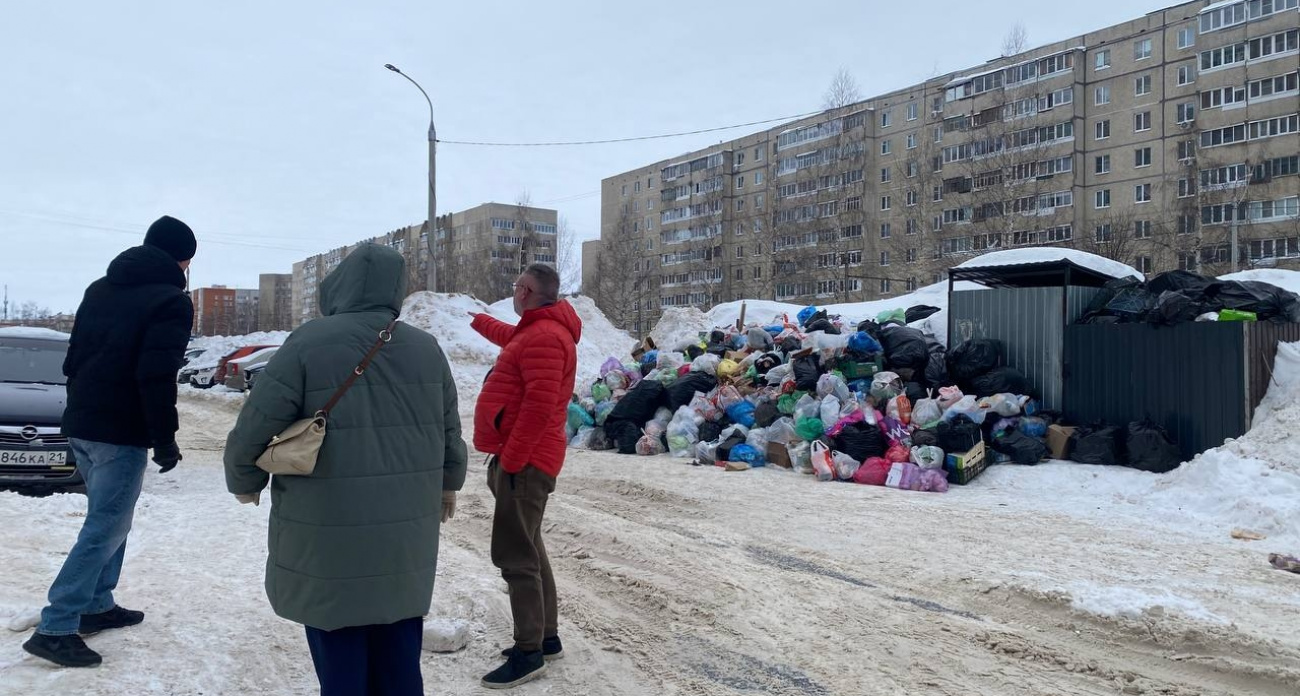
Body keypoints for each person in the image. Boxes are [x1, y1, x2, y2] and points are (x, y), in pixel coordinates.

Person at [224, 244, 467, 696]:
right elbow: (449, 430)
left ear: (340, 285)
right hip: (404, 532)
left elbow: (257, 423)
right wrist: (449, 482)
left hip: (326, 530)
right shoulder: (426, 348)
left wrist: (243, 477)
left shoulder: (308, 342)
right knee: (399, 649)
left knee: (339, 651)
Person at [23, 216, 196, 668]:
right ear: (182, 259)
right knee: (105, 525)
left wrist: (82, 407)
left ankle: (97, 604)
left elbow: (72, 360)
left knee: (111, 518)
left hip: (82, 421)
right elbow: (156, 375)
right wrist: (164, 438)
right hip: (120, 430)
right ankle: (57, 626)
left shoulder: (99, 288)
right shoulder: (171, 301)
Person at [470, 264, 581, 689]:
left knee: (515, 555)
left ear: (526, 290)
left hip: (527, 462)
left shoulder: (545, 336)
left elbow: (538, 406)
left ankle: (528, 651)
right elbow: (513, 338)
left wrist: (513, 461)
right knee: (530, 547)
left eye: (517, 286)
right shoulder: (538, 330)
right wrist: (481, 320)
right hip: (526, 459)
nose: (514, 291)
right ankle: (546, 638)